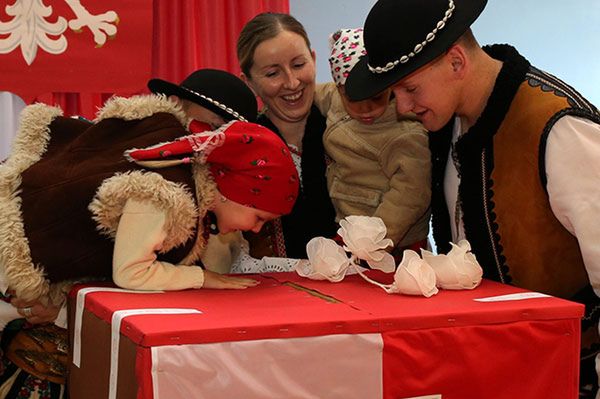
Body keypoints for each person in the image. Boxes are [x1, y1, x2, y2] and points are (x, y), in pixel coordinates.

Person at [345, 0, 600, 395]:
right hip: (491, 368)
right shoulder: (448, 123)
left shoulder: (559, 126)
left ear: (456, 62)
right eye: (396, 93)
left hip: (566, 375)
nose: (405, 108)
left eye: (410, 89)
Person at [0, 92, 298, 397]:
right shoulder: (165, 193)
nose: (256, 229)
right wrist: (202, 279)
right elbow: (131, 273)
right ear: (239, 190)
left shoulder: (177, 167)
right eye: (259, 217)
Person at [314, 27, 431, 254]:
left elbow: (411, 196)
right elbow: (313, 94)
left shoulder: (406, 132)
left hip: (393, 242)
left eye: (376, 97)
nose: (366, 109)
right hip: (348, 228)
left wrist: (374, 241)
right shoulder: (334, 97)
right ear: (339, 89)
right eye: (353, 98)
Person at [237, 12, 338, 259]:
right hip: (271, 292)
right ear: (249, 83)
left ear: (314, 60)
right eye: (273, 73)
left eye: (298, 64)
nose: (292, 83)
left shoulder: (352, 129)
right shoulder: (240, 151)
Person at [147, 68, 259, 274]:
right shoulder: (150, 167)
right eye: (214, 126)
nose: (218, 140)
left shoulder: (221, 182)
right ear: (175, 103)